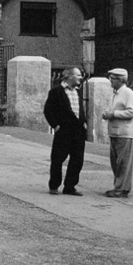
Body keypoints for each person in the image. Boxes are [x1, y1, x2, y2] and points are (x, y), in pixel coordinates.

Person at [43, 66, 86, 196]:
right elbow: (48, 110)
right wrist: (55, 125)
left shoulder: (77, 92)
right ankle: (54, 186)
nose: (80, 78)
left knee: (77, 159)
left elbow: (79, 110)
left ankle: (70, 186)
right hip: (64, 131)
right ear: (68, 76)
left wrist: (84, 122)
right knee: (58, 158)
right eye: (78, 75)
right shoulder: (56, 92)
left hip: (78, 131)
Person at [101, 67, 133, 198]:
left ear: (121, 80)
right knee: (116, 162)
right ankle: (118, 186)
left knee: (123, 162)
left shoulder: (128, 93)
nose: (110, 80)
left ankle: (122, 188)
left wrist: (113, 114)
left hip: (125, 133)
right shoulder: (115, 94)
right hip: (115, 132)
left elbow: (132, 112)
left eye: (113, 78)